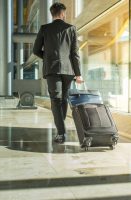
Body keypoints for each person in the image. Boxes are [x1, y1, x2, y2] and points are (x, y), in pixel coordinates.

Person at [33, 2, 83, 144]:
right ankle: (61, 129)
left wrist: (48, 58)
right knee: (63, 99)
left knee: (55, 100)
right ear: (62, 13)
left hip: (52, 69)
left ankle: (61, 133)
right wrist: (78, 74)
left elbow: (36, 50)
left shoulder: (44, 29)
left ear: (52, 13)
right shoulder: (71, 28)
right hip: (68, 70)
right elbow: (75, 53)